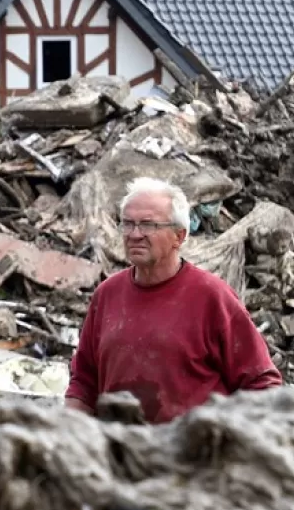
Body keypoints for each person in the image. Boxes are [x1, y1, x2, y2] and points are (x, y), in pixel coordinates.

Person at [64, 176, 282, 423]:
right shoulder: (107, 295)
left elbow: (261, 382)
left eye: (148, 225)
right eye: (127, 224)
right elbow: (84, 380)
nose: (135, 234)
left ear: (179, 236)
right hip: (122, 453)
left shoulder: (212, 297)